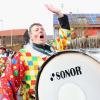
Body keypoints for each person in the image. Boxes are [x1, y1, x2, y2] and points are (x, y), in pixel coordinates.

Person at [0, 5, 73, 100]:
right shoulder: (23, 55)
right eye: (37, 30)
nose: (40, 31)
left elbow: (64, 37)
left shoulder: (54, 49)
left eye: (42, 29)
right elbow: (7, 80)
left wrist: (60, 14)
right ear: (31, 36)